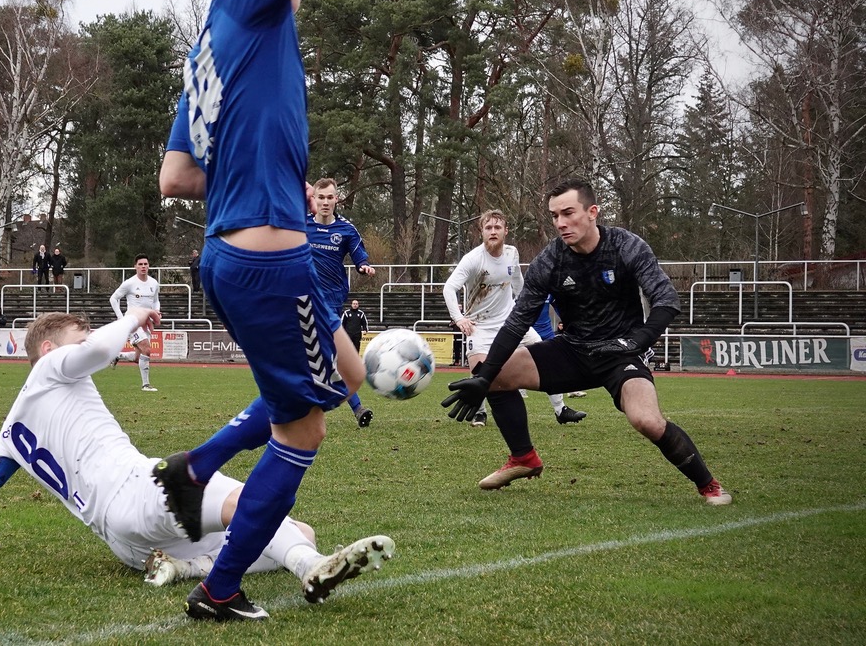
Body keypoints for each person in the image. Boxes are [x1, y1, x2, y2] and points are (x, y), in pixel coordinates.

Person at [157, 0, 356, 621]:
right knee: (303, 430)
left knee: (321, 385)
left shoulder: (207, 46)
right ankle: (221, 586)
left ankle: (197, 466)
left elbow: (173, 175)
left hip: (228, 255)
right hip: (272, 257)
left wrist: (249, 165)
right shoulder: (252, 2)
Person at [0, 309, 393, 610]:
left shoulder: (8, 435)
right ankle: (310, 568)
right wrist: (133, 315)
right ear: (50, 349)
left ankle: (188, 568)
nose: (86, 343)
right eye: (78, 339)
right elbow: (100, 350)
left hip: (123, 544)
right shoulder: (48, 368)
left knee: (301, 531)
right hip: (141, 490)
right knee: (251, 504)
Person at [442, 179, 733, 505]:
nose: (561, 223)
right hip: (573, 350)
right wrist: (483, 377)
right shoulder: (550, 260)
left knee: (646, 421)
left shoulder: (626, 245)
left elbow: (666, 301)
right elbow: (517, 321)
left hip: (621, 353)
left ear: (592, 212)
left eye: (568, 213)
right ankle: (523, 458)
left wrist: (637, 341)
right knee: (493, 374)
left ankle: (709, 485)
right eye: (554, 216)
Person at [442, 209, 585, 429]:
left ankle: (561, 410)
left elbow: (519, 284)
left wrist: (525, 310)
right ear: (481, 231)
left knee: (548, 356)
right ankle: (480, 413)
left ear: (506, 231)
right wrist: (459, 318)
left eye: (497, 227)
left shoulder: (512, 254)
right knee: (480, 370)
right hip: (479, 326)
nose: (493, 231)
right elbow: (449, 288)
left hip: (511, 324)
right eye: (488, 227)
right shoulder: (472, 259)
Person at [309, 178, 377, 427]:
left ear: (337, 199)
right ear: (314, 199)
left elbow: (359, 254)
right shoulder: (302, 225)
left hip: (333, 298)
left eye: (330, 197)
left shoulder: (347, 229)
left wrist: (363, 266)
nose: (325, 202)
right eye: (321, 197)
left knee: (324, 356)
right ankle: (356, 407)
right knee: (323, 356)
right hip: (304, 297)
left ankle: (349, 404)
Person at [109, 255, 161, 392]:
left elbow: (156, 300)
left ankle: (117, 355)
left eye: (145, 264)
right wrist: (121, 318)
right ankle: (146, 385)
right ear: (135, 266)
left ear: (149, 266)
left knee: (138, 357)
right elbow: (113, 299)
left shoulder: (154, 283)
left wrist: (157, 310)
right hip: (132, 321)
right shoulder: (129, 283)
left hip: (146, 322)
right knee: (147, 349)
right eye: (140, 264)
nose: (143, 266)